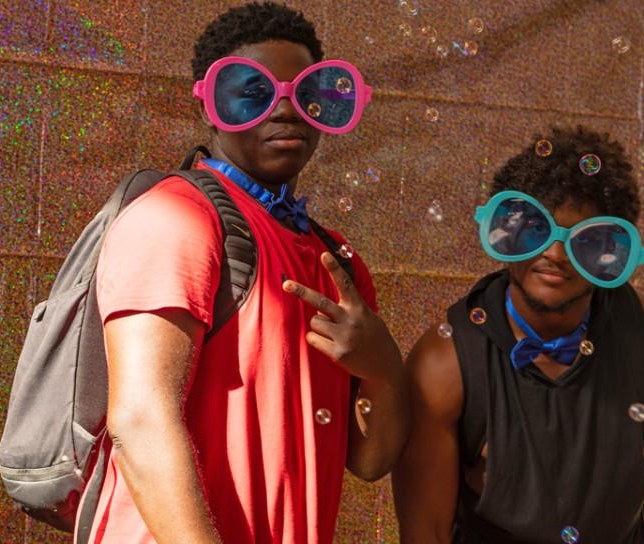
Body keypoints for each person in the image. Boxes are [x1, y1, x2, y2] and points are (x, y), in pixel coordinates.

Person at [85, 3, 408, 543]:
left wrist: (385, 367)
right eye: (253, 91)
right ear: (211, 107)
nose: (286, 112)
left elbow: (371, 461)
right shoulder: (177, 217)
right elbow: (139, 420)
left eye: (306, 95)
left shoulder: (337, 258)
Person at [391, 126, 644, 543]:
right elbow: (426, 531)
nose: (555, 254)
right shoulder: (444, 361)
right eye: (536, 230)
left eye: (584, 241)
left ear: (612, 252)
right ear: (506, 231)